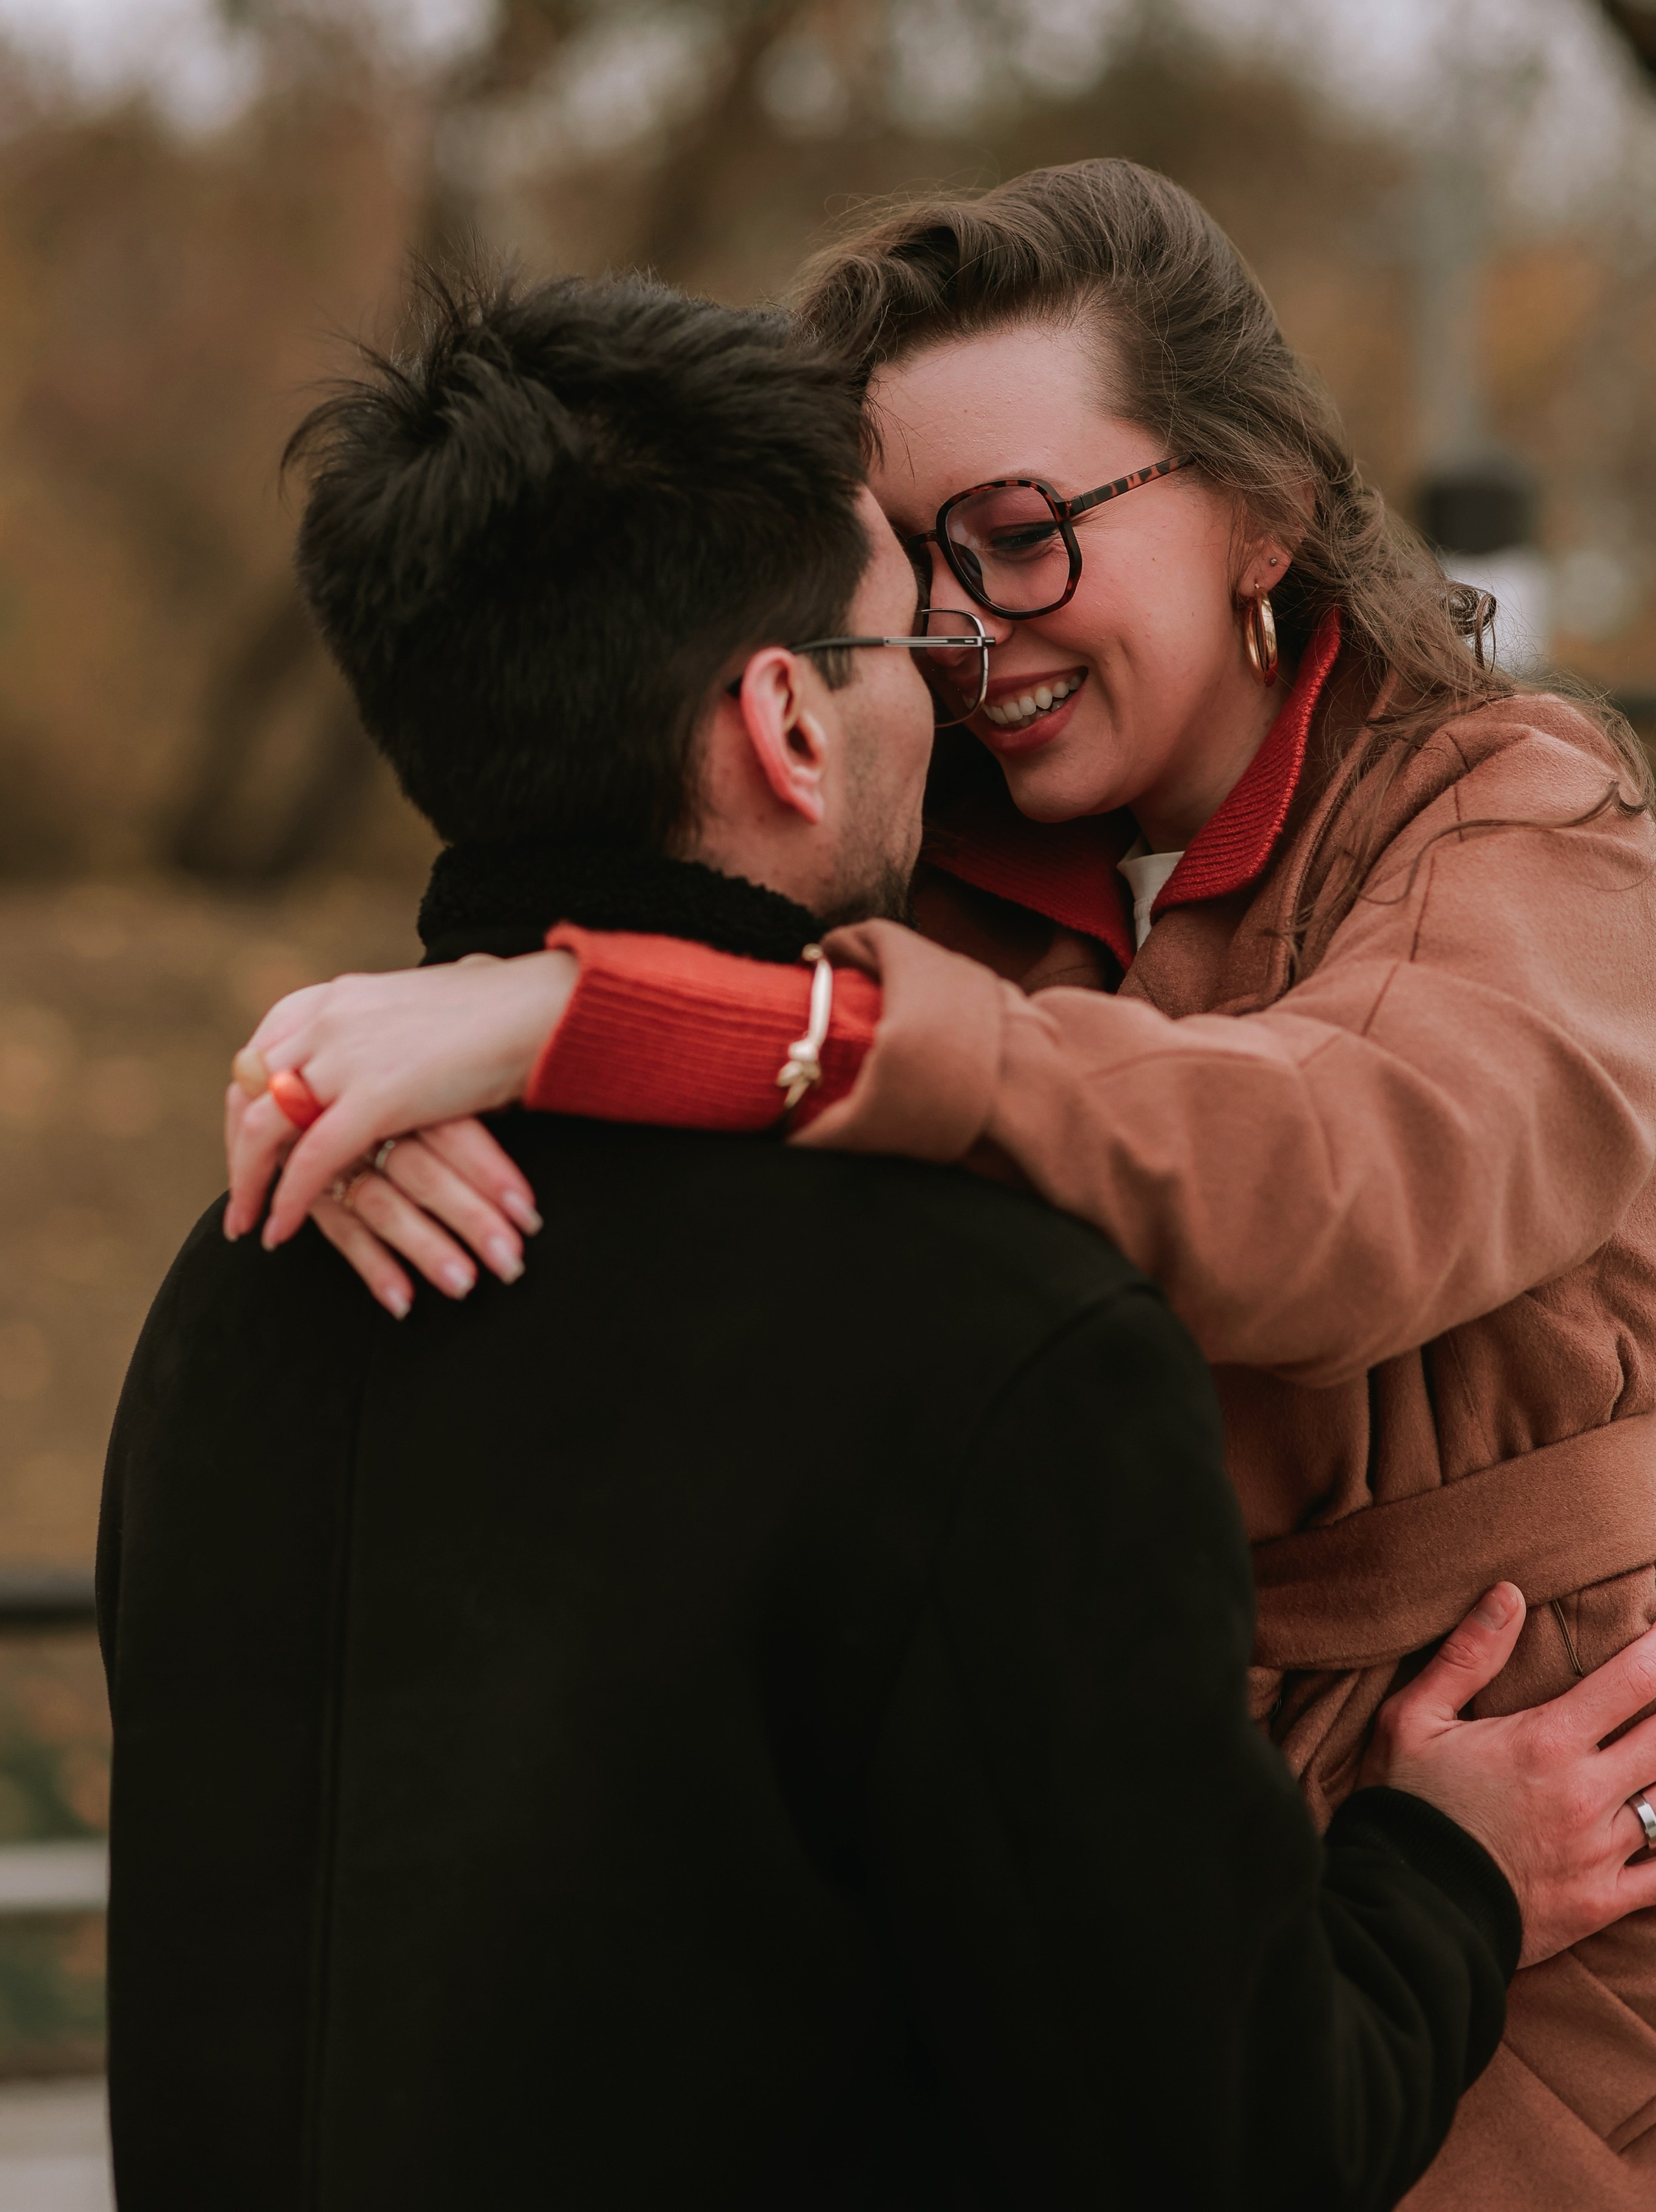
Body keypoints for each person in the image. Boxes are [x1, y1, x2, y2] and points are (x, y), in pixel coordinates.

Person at [105, 263, 1656, 2210]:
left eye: (1014, 537)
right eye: (912, 563)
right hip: (1203, 1939)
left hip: (1544, 1900)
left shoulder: (1528, 813)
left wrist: (597, 1010)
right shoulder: (930, 889)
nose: (953, 628)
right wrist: (356, 1086)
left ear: (1260, 502)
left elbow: (1345, 1180)